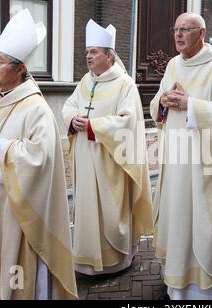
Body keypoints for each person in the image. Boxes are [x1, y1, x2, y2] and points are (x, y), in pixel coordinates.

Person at [0, 9, 77, 299]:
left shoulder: (36, 109)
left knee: (15, 277)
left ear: (20, 68)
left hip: (19, 212)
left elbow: (42, 158)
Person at [150, 12, 212, 300]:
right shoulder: (172, 65)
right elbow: (158, 103)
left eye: (186, 29)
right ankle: (176, 284)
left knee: (201, 223)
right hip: (176, 159)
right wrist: (164, 103)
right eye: (176, 29)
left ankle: (204, 294)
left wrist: (190, 105)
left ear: (202, 33)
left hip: (204, 166)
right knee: (175, 218)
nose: (179, 34)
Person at [62, 19, 152, 276]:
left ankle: (115, 260)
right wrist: (71, 119)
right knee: (86, 209)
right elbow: (69, 105)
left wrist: (92, 125)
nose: (88, 56)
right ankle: (87, 259)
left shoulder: (125, 84)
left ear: (109, 56)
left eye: (93, 52)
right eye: (87, 51)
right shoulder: (85, 81)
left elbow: (129, 123)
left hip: (111, 161)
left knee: (110, 211)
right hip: (85, 156)